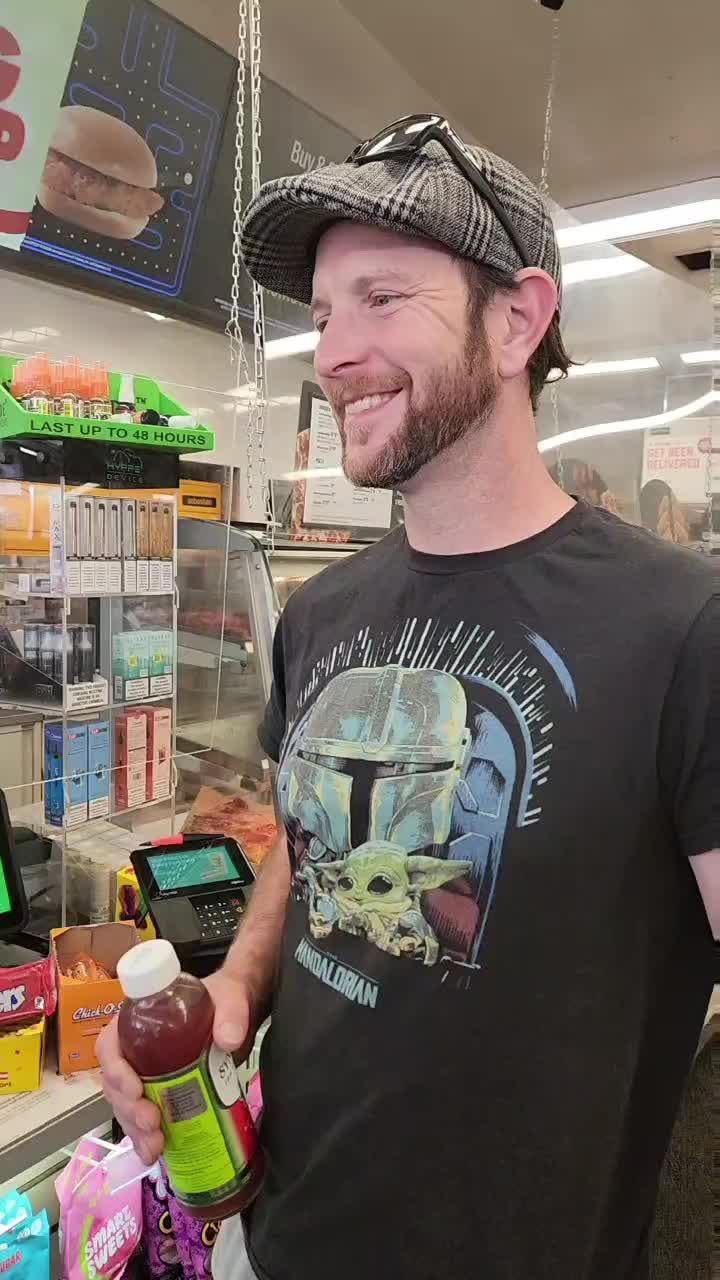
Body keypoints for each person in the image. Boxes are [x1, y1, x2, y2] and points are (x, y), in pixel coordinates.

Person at [98, 115, 719, 1280]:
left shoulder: (683, 627)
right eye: (325, 312)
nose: (334, 352)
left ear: (518, 320)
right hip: (276, 1233)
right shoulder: (323, 611)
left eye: (382, 298)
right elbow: (306, 849)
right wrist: (233, 985)